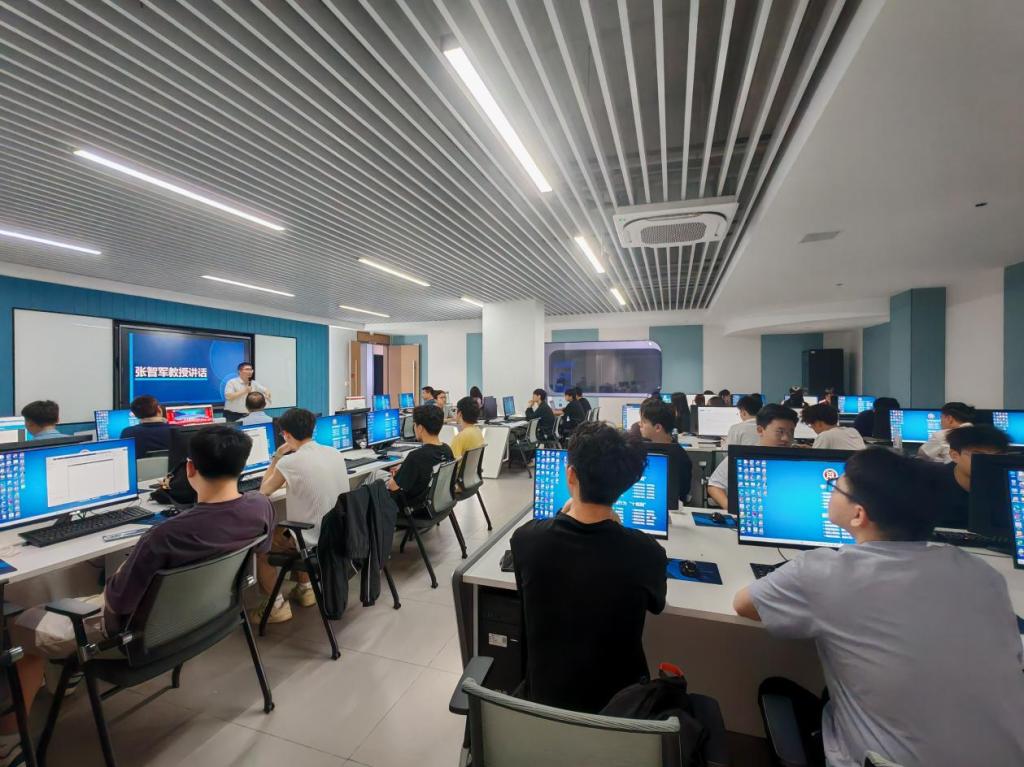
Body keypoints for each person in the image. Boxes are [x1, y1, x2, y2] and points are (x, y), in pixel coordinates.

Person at [732, 448, 1024, 767]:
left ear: (858, 515)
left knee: (777, 688)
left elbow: (744, 605)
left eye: (836, 487)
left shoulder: (823, 573)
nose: (831, 491)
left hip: (882, 762)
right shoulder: (981, 573)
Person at [5, 425, 275, 763]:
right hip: (209, 618)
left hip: (134, 637)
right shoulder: (261, 506)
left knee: (22, 625)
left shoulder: (166, 535)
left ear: (190, 468)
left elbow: (118, 603)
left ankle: (8, 741)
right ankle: (70, 672)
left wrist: (121, 571)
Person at [510, 422, 667, 714]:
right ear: (625, 484)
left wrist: (559, 517)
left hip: (544, 704)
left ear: (571, 475)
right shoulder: (647, 553)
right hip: (619, 711)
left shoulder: (526, 540)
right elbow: (657, 605)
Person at [257, 408, 349, 624]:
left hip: (314, 541)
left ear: (286, 435)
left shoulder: (288, 462)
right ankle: (306, 589)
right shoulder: (334, 452)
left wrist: (277, 456)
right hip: (340, 533)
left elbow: (263, 491)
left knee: (262, 544)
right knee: (293, 527)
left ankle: (276, 607)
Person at [708, 404, 797, 512]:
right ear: (760, 430)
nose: (786, 438)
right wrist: (733, 510)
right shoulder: (743, 456)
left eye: (791, 432)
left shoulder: (799, 459)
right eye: (780, 432)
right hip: (754, 514)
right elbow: (715, 485)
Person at [921, 424, 1009, 529]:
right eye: (979, 456)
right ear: (954, 455)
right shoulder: (929, 484)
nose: (989, 463)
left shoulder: (1011, 483)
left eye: (997, 456)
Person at [387, 405, 454, 507]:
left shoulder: (416, 456)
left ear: (420, 428)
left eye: (414, 425)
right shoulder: (447, 450)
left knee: (376, 477)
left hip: (412, 508)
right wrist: (404, 468)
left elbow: (393, 486)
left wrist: (394, 476)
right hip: (435, 504)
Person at [639, 399, 692, 506]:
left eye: (643, 422)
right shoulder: (643, 449)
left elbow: (681, 494)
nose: (639, 424)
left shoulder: (680, 458)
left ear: (658, 427)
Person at [800, 404, 866, 450]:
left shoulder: (824, 436)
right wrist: (812, 449)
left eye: (811, 425)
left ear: (819, 423)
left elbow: (815, 460)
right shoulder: (853, 431)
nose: (812, 428)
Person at [451, 396, 484, 461]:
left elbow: (452, 463)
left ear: (460, 414)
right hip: (472, 468)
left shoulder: (460, 438)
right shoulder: (478, 431)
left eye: (455, 410)